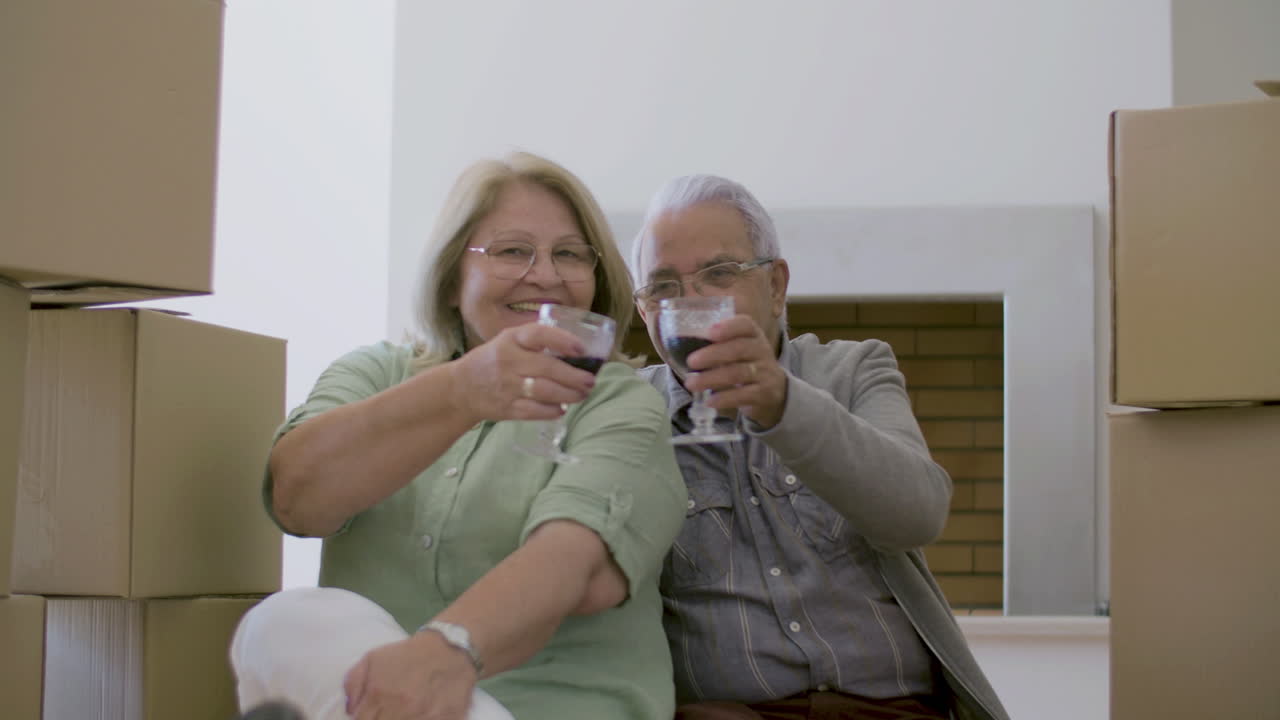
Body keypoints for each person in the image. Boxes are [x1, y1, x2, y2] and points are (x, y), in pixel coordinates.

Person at [231, 152, 688, 720]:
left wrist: (443, 654)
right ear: (452, 280)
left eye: (569, 254)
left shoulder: (621, 404)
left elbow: (569, 567)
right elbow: (297, 501)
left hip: (542, 710)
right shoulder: (373, 374)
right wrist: (461, 392)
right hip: (378, 701)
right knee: (285, 620)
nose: (545, 275)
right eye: (513, 250)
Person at [628, 175, 1010, 720]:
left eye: (719, 274)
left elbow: (918, 515)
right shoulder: (630, 416)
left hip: (894, 710)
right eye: (663, 287)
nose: (689, 304)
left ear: (776, 286)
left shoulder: (854, 369)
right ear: (644, 312)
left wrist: (782, 404)